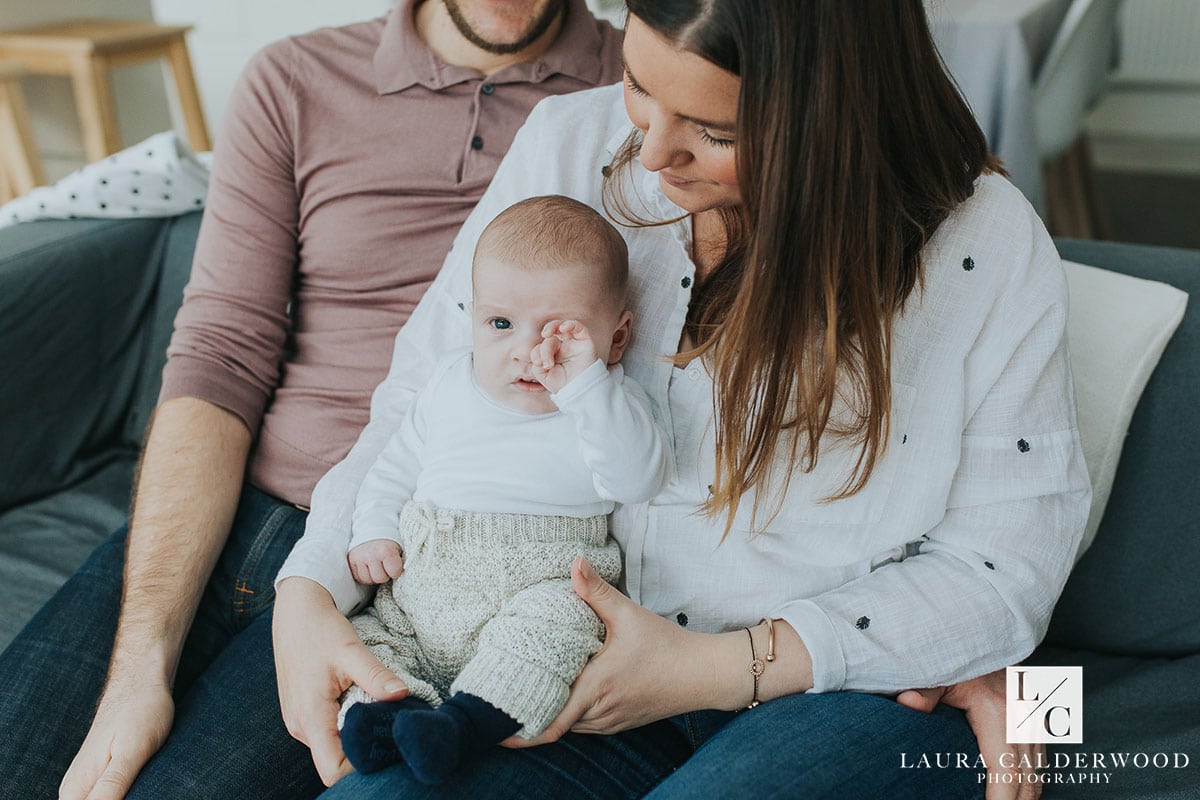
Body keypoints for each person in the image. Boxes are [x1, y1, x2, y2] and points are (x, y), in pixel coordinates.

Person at [272, 2, 1091, 799]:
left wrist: (713, 669)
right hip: (558, 659)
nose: (653, 153)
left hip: (835, 687)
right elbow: (424, 393)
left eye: (717, 131)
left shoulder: (985, 244)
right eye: (637, 83)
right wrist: (307, 588)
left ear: (830, 116)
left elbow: (1004, 567)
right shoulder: (570, 145)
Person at [0, 2, 623, 799]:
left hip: (413, 557)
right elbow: (219, 355)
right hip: (236, 508)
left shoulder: (642, 99)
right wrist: (136, 673)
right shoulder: (294, 79)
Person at [337, 194, 669, 784]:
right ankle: (390, 714)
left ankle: (463, 724)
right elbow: (394, 467)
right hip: (425, 582)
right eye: (500, 324)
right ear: (473, 318)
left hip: (540, 577)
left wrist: (586, 387)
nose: (527, 351)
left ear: (616, 340)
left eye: (562, 334)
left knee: (556, 631)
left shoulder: (607, 403)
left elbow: (638, 478)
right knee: (374, 637)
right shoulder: (447, 385)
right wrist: (374, 529)